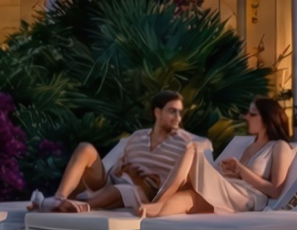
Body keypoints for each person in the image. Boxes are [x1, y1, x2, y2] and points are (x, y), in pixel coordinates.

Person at [31, 90, 204, 218]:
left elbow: (175, 184)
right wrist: (120, 169)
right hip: (114, 179)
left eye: (180, 112)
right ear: (157, 112)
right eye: (172, 111)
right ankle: (59, 198)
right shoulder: (137, 136)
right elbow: (117, 165)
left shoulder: (185, 143)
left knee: (123, 189)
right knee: (85, 148)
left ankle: (78, 207)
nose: (178, 117)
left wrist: (140, 179)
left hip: (143, 190)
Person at [182, 98, 296, 213]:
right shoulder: (251, 146)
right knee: (185, 191)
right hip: (233, 187)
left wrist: (241, 170)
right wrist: (232, 171)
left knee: (193, 150)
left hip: (246, 196)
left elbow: (276, 191)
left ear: (267, 118)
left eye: (252, 114)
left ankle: (164, 191)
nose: (247, 117)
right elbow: (242, 176)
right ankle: (164, 193)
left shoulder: (279, 146)